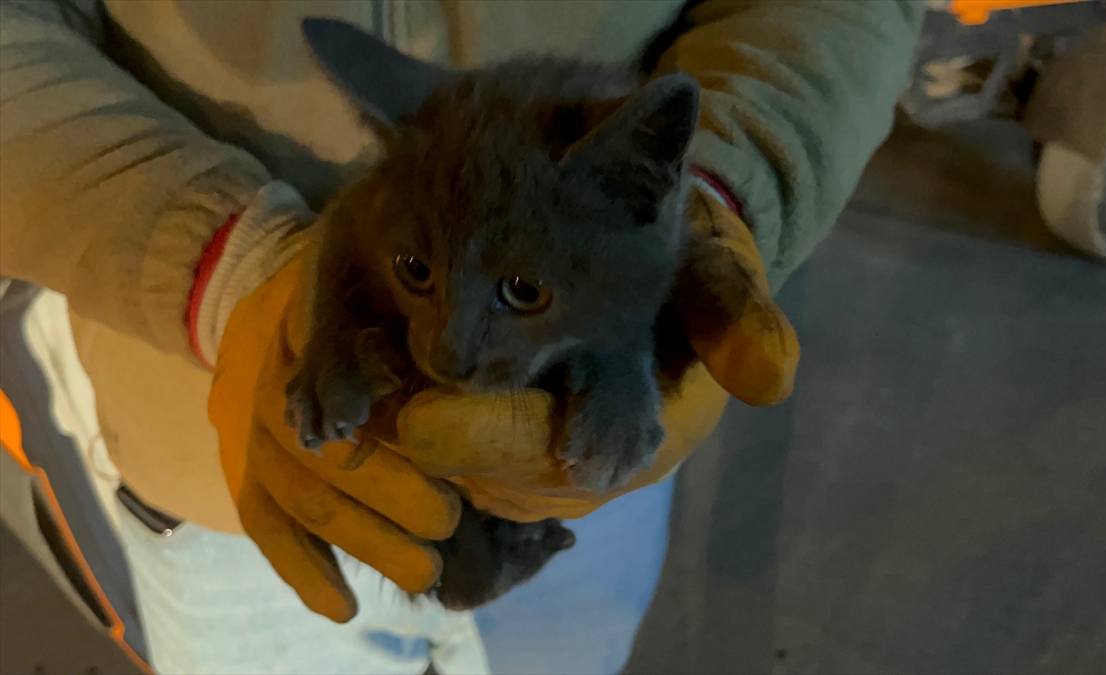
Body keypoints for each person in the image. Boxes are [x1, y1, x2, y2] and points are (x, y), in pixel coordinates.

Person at [0, 1, 924, 673]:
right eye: (420, 282)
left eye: (515, 292)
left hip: (570, 478)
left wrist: (720, 186)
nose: (448, 348)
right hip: (223, 466)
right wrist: (226, 262)